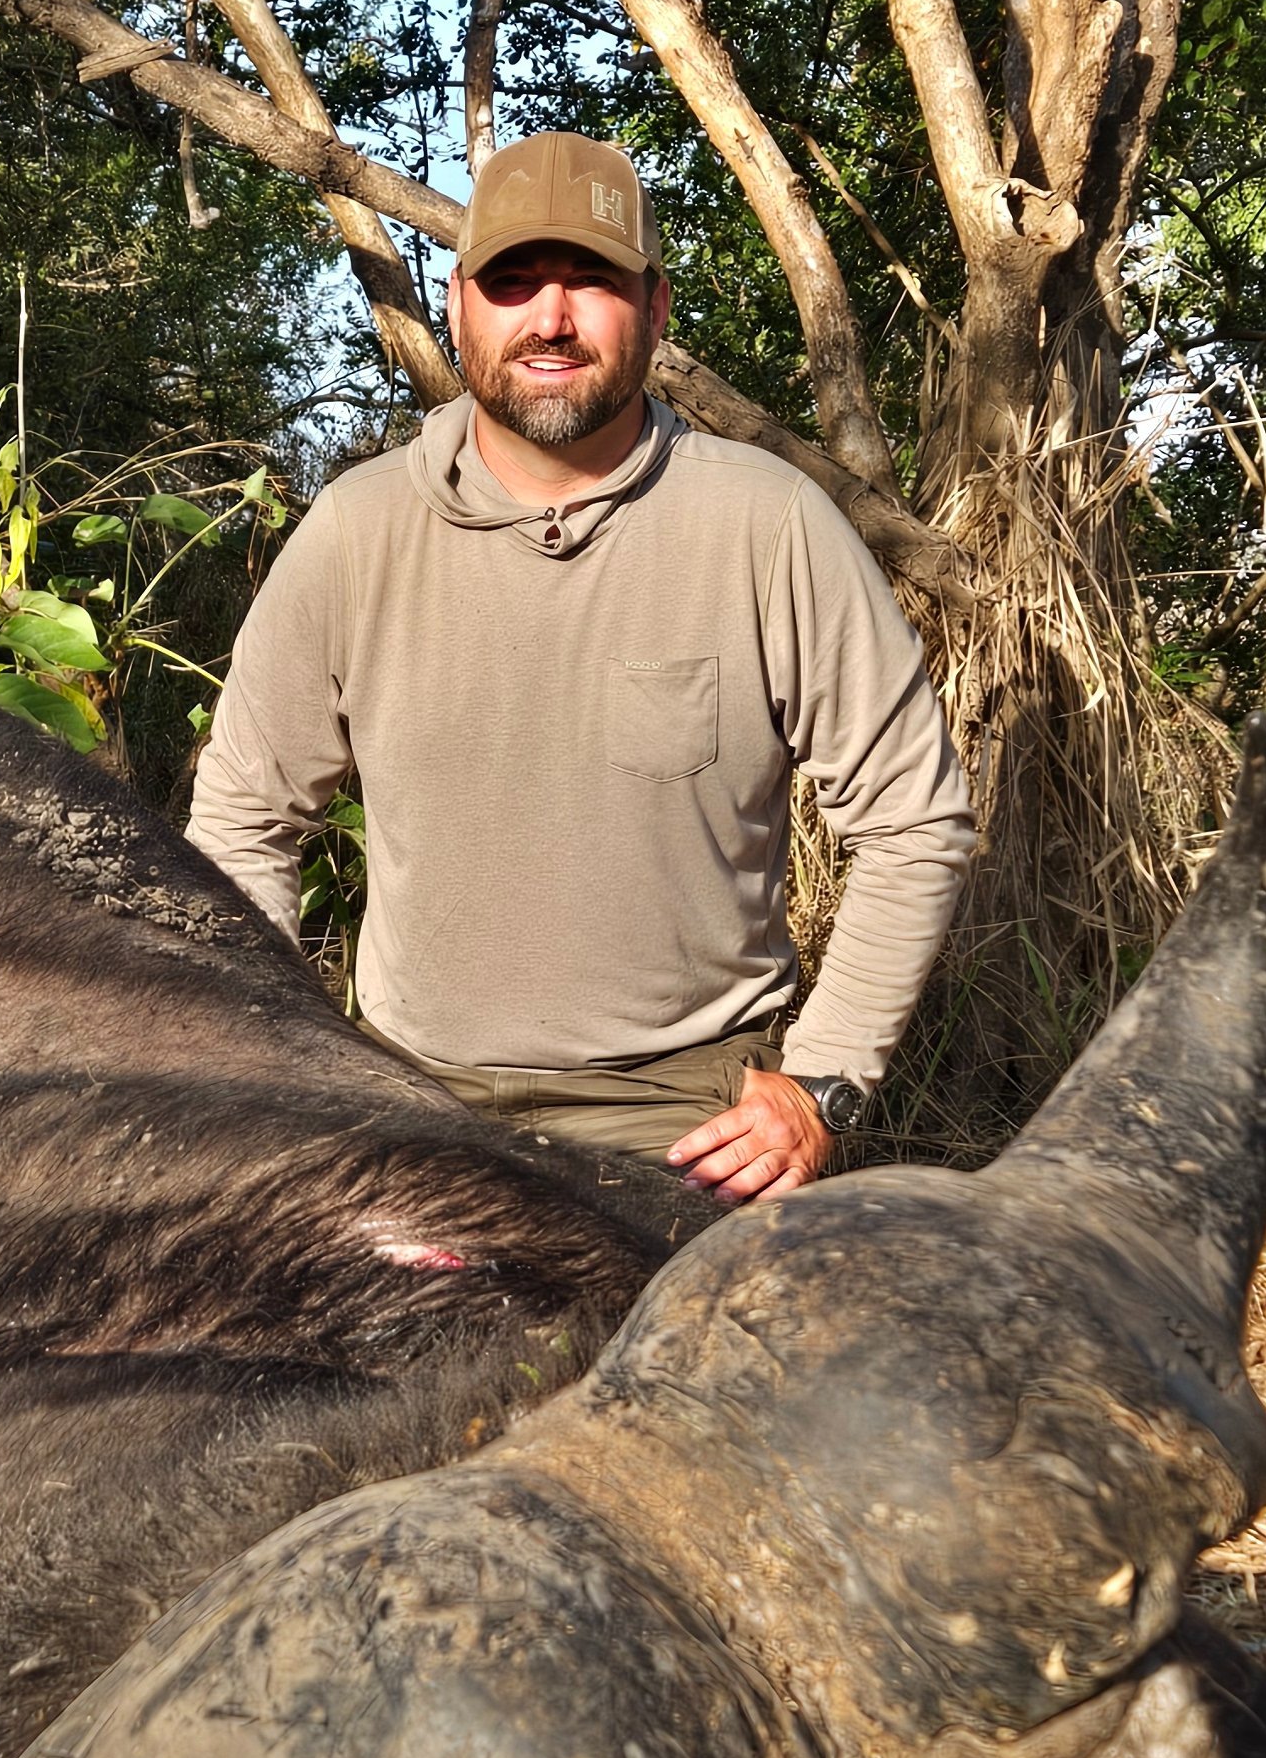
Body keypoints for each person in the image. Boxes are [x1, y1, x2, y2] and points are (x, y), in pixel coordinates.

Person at [186, 130, 975, 1201]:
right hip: (409, 1098)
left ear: (651, 308)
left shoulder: (770, 525)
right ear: (460, 301)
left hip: (685, 1123)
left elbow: (913, 824)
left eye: (590, 281)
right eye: (514, 281)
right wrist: (280, 1058)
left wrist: (822, 1081)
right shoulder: (354, 532)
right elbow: (240, 819)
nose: (549, 318)